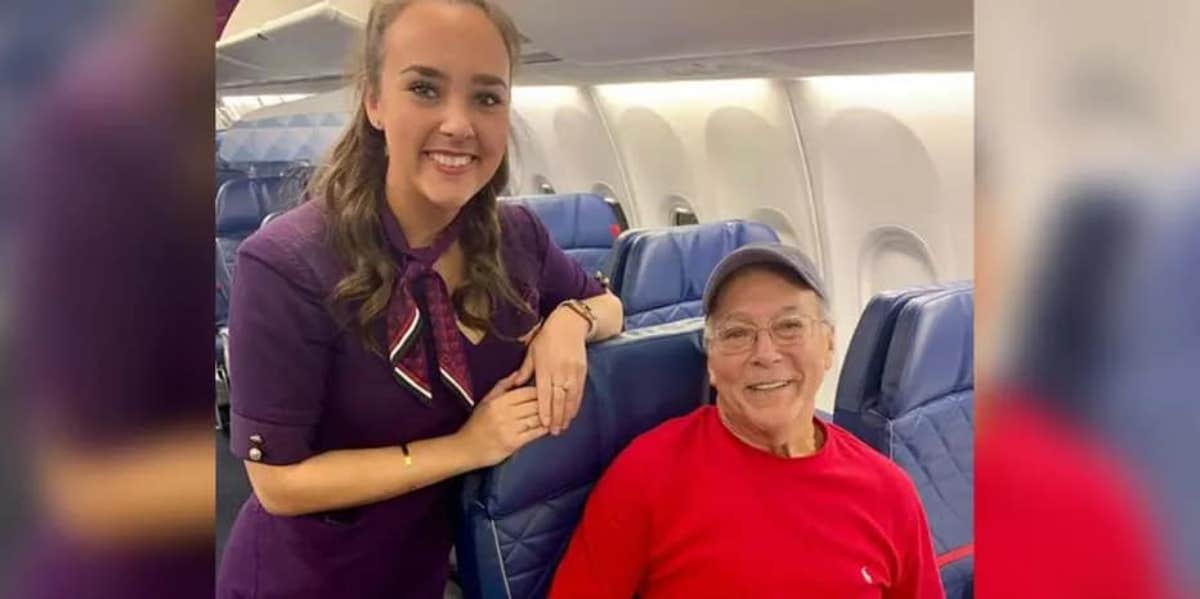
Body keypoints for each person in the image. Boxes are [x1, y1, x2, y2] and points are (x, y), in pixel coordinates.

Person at [214, 1, 623, 597]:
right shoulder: (287, 264)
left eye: (487, 98)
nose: (459, 123)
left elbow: (610, 307)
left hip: (425, 565)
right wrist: (464, 448)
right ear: (374, 102)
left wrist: (569, 321)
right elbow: (279, 483)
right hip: (311, 576)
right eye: (425, 89)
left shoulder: (517, 238)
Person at [549, 243, 943, 599]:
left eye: (789, 326)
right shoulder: (647, 474)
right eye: (737, 333)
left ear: (828, 344)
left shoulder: (890, 494)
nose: (766, 354)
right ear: (712, 362)